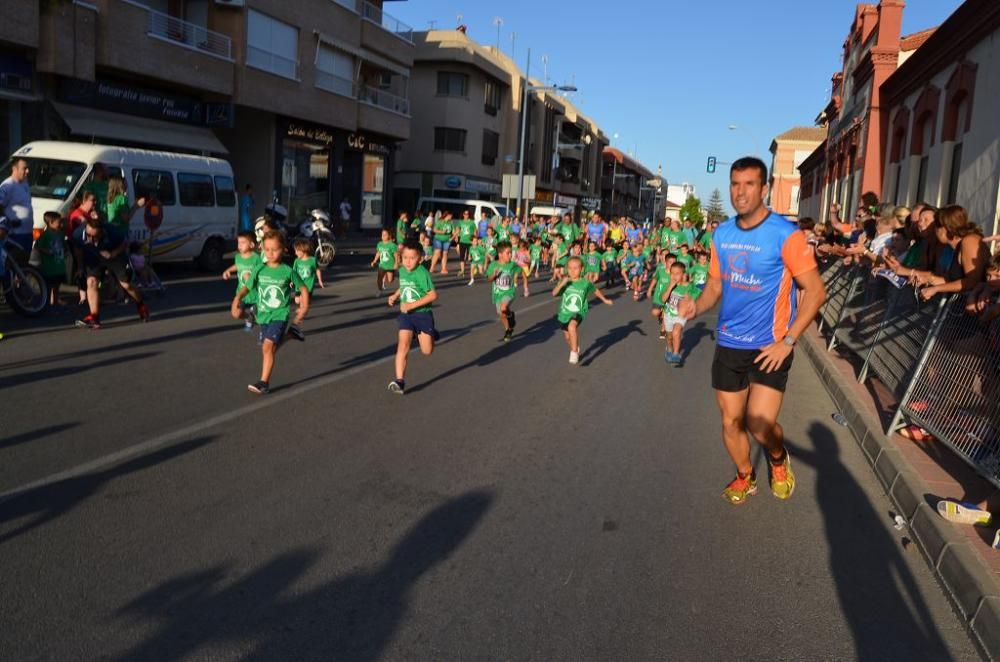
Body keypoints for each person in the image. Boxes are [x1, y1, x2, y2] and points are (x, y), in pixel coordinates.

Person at [678, 157, 826, 506]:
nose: (740, 192)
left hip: (770, 345)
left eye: (748, 184)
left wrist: (789, 341)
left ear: (764, 189)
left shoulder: (786, 235)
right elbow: (715, 285)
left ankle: (777, 459)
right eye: (735, 184)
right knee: (731, 422)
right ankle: (746, 475)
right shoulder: (722, 233)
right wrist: (695, 307)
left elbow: (816, 292)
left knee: (759, 424)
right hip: (729, 343)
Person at [231, 231, 309, 394]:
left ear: (283, 250)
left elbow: (302, 288)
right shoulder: (260, 269)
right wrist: (237, 297)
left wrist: (304, 307)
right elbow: (248, 286)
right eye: (267, 249)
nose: (270, 253)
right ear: (262, 249)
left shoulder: (287, 271)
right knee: (270, 348)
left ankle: (263, 382)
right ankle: (291, 335)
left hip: (279, 315)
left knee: (267, 347)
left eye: (275, 249)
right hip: (263, 315)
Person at [72, 217, 151, 329]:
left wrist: (113, 253)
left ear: (102, 231)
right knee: (92, 282)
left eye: (94, 236)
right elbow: (78, 250)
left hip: (115, 256)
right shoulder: (78, 233)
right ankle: (94, 317)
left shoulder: (112, 231)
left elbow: (124, 243)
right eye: (89, 235)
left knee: (126, 284)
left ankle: (140, 304)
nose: (91, 238)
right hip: (94, 257)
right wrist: (80, 267)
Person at [386, 242, 439, 394]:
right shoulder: (402, 270)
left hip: (422, 314)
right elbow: (404, 285)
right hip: (406, 315)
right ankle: (399, 381)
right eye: (405, 258)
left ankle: (431, 334)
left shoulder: (422, 273)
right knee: (403, 345)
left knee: (427, 351)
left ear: (420, 259)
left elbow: (433, 295)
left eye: (412, 258)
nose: (408, 261)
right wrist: (395, 295)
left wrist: (411, 305)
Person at [553, 256, 613, 364]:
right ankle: (575, 346)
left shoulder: (585, 283)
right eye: (570, 268)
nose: (572, 271)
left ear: (581, 269)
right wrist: (562, 283)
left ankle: (574, 352)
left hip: (579, 311)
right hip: (564, 313)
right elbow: (554, 293)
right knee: (567, 337)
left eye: (575, 268)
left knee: (572, 326)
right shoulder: (565, 283)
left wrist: (604, 300)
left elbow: (595, 290)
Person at [659, 262, 701, 366]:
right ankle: (669, 348)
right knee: (669, 337)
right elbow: (663, 299)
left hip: (681, 315)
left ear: (683, 274)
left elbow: (698, 293)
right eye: (672, 273)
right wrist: (670, 287)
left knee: (676, 332)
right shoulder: (668, 284)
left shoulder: (689, 287)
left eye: (677, 273)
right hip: (669, 314)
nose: (674, 276)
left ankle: (676, 354)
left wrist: (691, 300)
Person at [222, 231, 262, 332]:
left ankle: (261, 326)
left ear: (252, 244)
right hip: (241, 293)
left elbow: (263, 273)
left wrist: (251, 278)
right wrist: (229, 270)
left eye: (243, 242)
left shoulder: (257, 258)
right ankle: (248, 316)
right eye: (238, 242)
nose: (239, 245)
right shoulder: (238, 257)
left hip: (255, 294)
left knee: (261, 319)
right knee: (236, 313)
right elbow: (238, 266)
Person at [486, 242, 522, 342]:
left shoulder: (512, 265)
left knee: (503, 308)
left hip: (509, 292)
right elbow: (488, 279)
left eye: (511, 253)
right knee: (501, 314)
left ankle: (510, 316)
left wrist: (516, 277)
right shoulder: (493, 265)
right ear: (500, 254)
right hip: (497, 294)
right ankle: (508, 329)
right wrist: (493, 275)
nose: (510, 255)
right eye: (508, 253)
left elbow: (519, 270)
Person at [0, 157, 33, 255]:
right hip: (15, 235)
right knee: (14, 266)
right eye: (24, 168)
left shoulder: (25, 183)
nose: (27, 171)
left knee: (23, 267)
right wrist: (7, 223)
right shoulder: (7, 185)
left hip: (27, 234)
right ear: (14, 169)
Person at [35, 211, 67, 307]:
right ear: (51, 222)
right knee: (49, 285)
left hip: (59, 264)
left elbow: (63, 244)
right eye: (58, 222)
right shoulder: (45, 235)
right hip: (49, 266)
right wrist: (47, 251)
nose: (60, 224)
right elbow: (37, 246)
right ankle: (47, 301)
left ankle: (55, 300)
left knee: (57, 284)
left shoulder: (60, 234)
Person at [646, 252, 675, 339]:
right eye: (670, 262)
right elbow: (654, 280)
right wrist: (649, 290)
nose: (672, 264)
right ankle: (660, 317)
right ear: (665, 262)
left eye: (674, 262)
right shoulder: (661, 271)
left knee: (665, 315)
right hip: (658, 297)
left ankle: (663, 330)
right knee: (655, 312)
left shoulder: (675, 275)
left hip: (669, 298)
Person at [292, 236, 323, 308]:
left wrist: (320, 280)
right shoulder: (297, 261)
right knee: (297, 300)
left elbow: (317, 270)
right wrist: (291, 281)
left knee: (303, 301)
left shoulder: (312, 260)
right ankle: (304, 307)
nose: (295, 253)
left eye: (297, 251)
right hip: (298, 284)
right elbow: (293, 272)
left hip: (308, 285)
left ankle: (302, 310)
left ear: (303, 250)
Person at [372, 228, 399, 296]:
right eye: (382, 234)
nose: (383, 236)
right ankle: (379, 290)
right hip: (382, 265)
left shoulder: (392, 245)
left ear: (389, 236)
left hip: (390, 265)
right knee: (379, 279)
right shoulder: (379, 244)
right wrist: (374, 261)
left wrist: (396, 263)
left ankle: (391, 274)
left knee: (390, 280)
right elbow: (378, 253)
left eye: (385, 235)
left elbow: (396, 255)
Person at [455, 210, 477, 279]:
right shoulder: (460, 222)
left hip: (470, 242)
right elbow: (458, 230)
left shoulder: (471, 222)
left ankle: (474, 268)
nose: (466, 215)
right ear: (463, 215)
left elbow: (475, 231)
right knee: (462, 256)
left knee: (469, 257)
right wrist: (456, 237)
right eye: (465, 214)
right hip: (462, 241)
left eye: (467, 214)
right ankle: (462, 271)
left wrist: (475, 238)